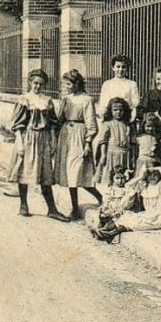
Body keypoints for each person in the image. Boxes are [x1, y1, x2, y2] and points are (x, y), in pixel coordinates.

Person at [6, 69, 71, 222]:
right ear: (30, 83)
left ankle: (52, 209)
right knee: (25, 171)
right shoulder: (24, 100)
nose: (37, 87)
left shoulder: (47, 101)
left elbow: (53, 123)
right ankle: (23, 204)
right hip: (28, 138)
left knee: (45, 174)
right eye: (35, 83)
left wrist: (53, 140)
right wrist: (20, 143)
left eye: (41, 84)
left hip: (44, 139)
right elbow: (17, 124)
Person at [54, 70, 103, 219]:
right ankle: (75, 208)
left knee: (79, 173)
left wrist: (88, 142)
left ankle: (101, 198)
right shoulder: (66, 99)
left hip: (79, 136)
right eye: (65, 84)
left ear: (77, 84)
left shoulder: (87, 99)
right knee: (70, 175)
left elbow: (92, 124)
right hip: (65, 136)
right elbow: (59, 119)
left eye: (69, 84)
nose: (66, 87)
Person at [95, 164, 161, 243]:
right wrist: (141, 176)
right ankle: (105, 231)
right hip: (149, 216)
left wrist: (159, 168)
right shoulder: (146, 187)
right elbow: (128, 186)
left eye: (155, 175)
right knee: (127, 217)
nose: (152, 177)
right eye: (150, 175)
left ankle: (110, 234)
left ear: (160, 176)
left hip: (160, 217)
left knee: (135, 222)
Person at [85, 166, 136, 238]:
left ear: (126, 178)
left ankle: (104, 233)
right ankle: (99, 229)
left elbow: (127, 202)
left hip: (122, 209)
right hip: (111, 209)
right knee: (102, 216)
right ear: (113, 178)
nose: (120, 181)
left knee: (119, 220)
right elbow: (106, 199)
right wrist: (108, 207)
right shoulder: (111, 189)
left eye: (122, 178)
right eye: (117, 178)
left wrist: (120, 209)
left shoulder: (128, 189)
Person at [96, 98, 132, 186]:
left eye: (121, 110)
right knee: (111, 176)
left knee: (123, 177)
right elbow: (103, 141)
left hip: (125, 155)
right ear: (110, 111)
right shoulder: (108, 124)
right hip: (112, 155)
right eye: (115, 110)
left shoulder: (127, 125)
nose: (118, 112)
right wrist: (103, 155)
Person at [97, 54, 140, 122]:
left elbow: (135, 105)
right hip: (111, 119)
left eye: (123, 67)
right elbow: (103, 105)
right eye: (118, 66)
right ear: (113, 68)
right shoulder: (107, 84)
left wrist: (130, 120)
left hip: (126, 118)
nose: (120, 69)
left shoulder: (132, 84)